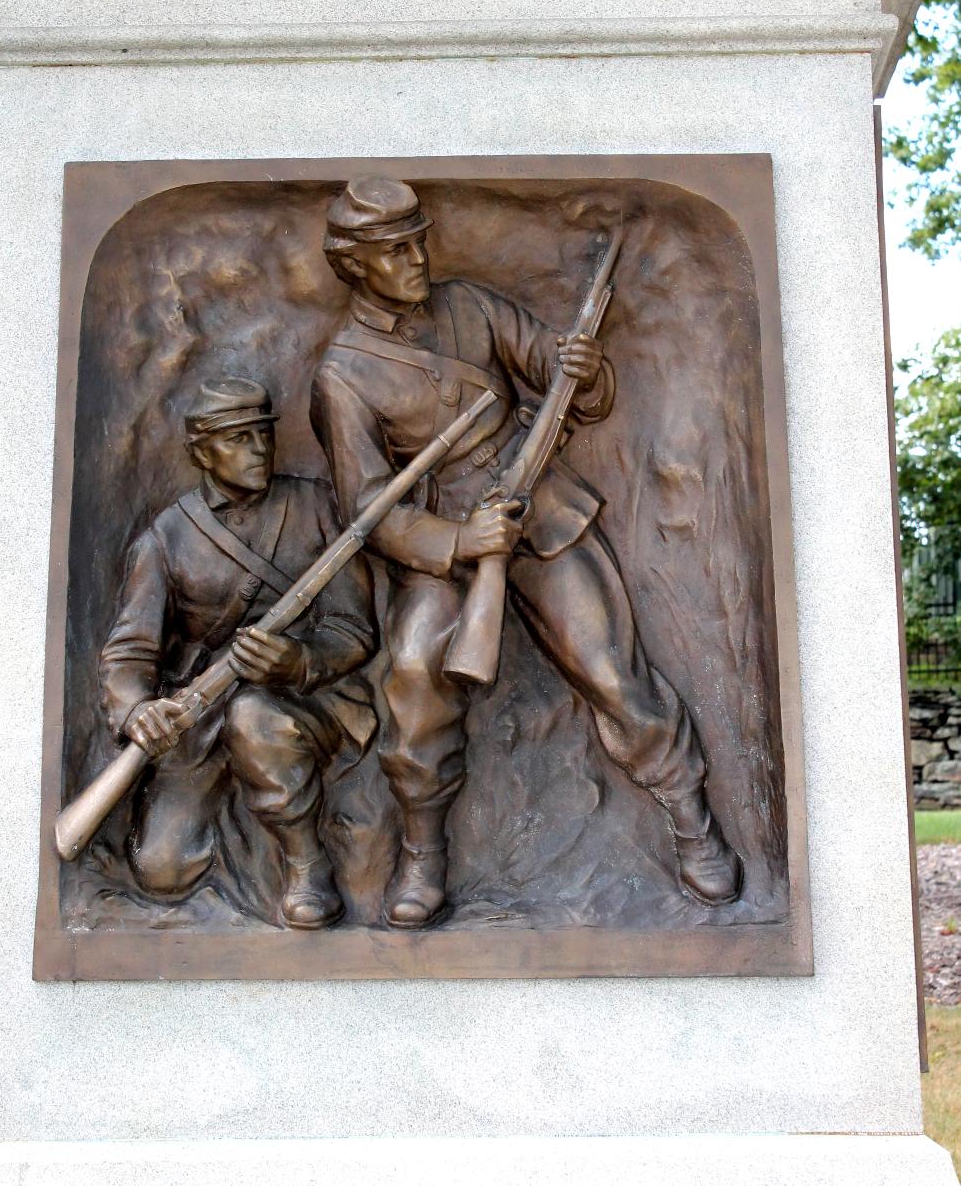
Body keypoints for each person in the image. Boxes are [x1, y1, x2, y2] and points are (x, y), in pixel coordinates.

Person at [310, 176, 743, 930]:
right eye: (394, 250)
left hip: (536, 504)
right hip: (442, 537)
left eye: (419, 240)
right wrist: (457, 543)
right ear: (354, 265)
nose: (417, 258)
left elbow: (566, 378)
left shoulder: (472, 306)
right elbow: (367, 510)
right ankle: (424, 853)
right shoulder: (342, 374)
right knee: (415, 668)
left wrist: (581, 368)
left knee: (609, 665)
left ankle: (691, 820)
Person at [99, 377, 377, 929]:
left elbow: (354, 628)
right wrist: (136, 710)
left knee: (254, 717)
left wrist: (299, 660)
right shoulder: (165, 539)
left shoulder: (315, 506)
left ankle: (306, 863)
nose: (259, 451)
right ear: (202, 453)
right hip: (200, 716)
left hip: (302, 703)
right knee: (163, 872)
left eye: (263, 436)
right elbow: (130, 654)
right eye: (239, 439)